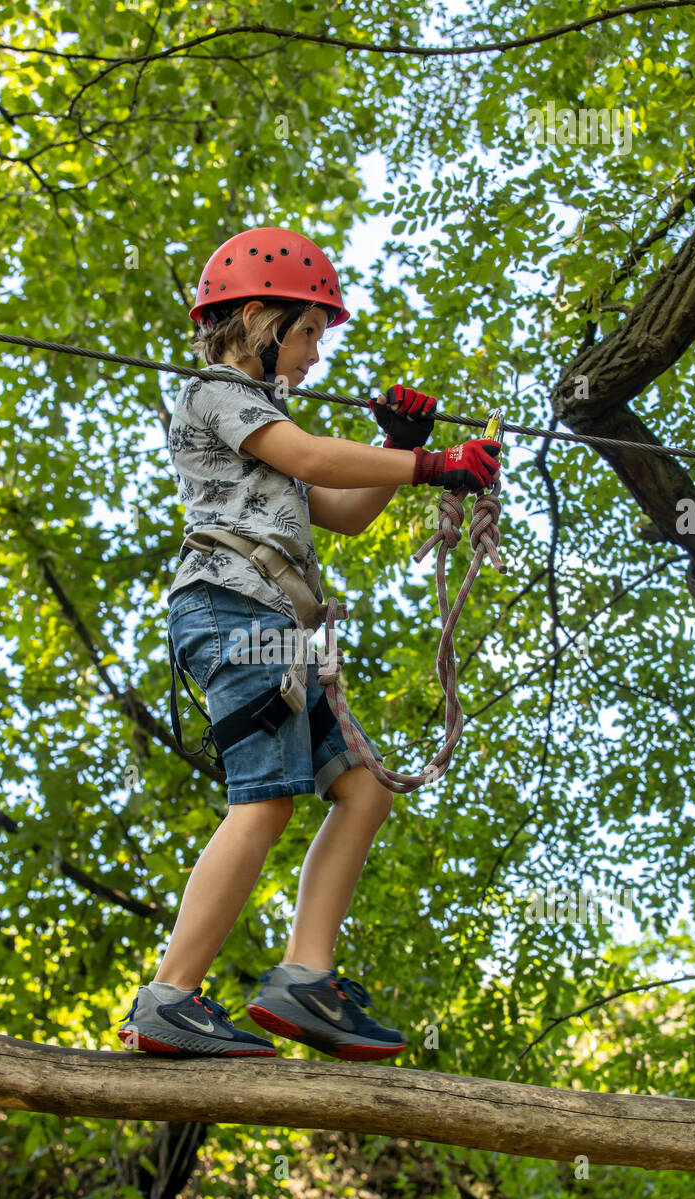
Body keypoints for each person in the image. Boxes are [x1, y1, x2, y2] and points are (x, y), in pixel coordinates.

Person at [118, 227, 501, 1062]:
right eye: (308, 334)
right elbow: (309, 453)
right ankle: (169, 998)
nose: (315, 356)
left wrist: (399, 452)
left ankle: (305, 978)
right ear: (257, 317)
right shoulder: (215, 393)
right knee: (266, 799)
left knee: (363, 791)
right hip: (231, 610)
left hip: (274, 627)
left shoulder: (269, 427)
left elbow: (341, 503)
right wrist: (434, 466)